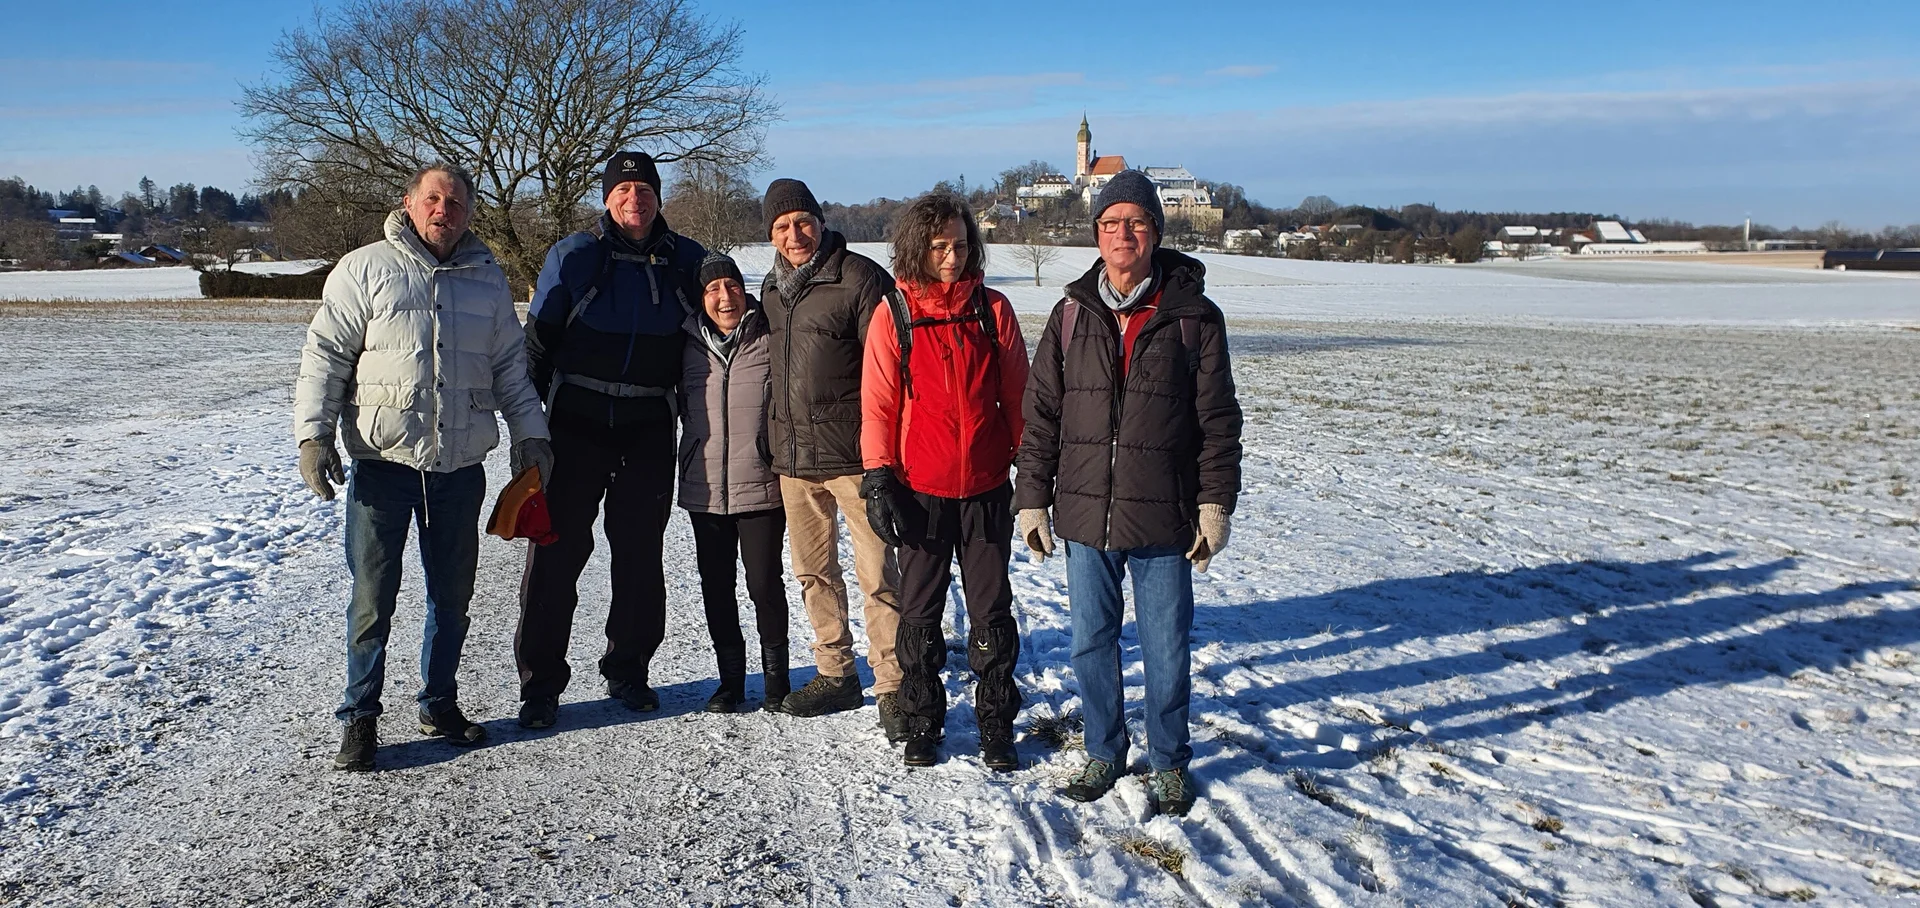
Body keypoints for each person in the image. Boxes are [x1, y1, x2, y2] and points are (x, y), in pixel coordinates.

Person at [294, 164, 552, 772]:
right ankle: (360, 715)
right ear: (409, 204)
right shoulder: (364, 269)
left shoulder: (487, 280)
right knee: (372, 598)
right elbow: (326, 354)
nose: (444, 210)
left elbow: (510, 369)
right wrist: (313, 434)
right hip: (382, 465)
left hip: (458, 468)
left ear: (469, 213)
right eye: (433, 199)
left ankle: (438, 702)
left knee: (452, 598)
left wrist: (532, 434)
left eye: (456, 202)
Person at [1014, 170, 1243, 816]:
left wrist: (1214, 506)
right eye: (1112, 223)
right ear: (1097, 234)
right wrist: (1031, 499)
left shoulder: (1195, 318)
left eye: (1137, 223)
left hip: (1165, 515)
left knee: (1167, 647)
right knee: (1091, 642)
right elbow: (1041, 417)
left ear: (1156, 233)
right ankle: (1105, 750)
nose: (1124, 234)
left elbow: (1218, 422)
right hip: (1085, 512)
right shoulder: (1069, 315)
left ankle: (1168, 759)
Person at [513, 151, 707, 728]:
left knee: (641, 553)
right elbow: (537, 344)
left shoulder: (687, 260)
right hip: (577, 419)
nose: (634, 199)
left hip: (649, 422)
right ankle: (541, 684)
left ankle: (628, 670)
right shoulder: (576, 255)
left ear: (658, 197)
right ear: (606, 198)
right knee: (556, 552)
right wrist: (528, 433)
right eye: (623, 190)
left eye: (644, 189)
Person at [860, 192, 1030, 770]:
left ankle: (996, 723)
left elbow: (1019, 397)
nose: (952, 257)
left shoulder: (993, 310)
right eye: (939, 247)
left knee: (991, 611)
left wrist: (1031, 471)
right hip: (920, 491)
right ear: (918, 249)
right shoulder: (895, 314)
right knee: (920, 612)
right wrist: (878, 476)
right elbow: (879, 405)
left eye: (959, 245)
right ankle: (922, 720)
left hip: (986, 488)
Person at [758, 178, 906, 738]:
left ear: (820, 223)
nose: (794, 234)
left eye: (803, 222)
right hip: (795, 461)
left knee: (877, 575)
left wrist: (885, 456)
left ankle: (892, 682)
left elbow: (891, 367)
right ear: (771, 234)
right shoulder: (772, 290)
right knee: (813, 574)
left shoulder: (860, 278)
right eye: (782, 226)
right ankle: (835, 672)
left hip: (854, 458)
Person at [677, 252, 790, 713]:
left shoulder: (769, 336)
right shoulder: (684, 344)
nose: (725, 297)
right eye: (712, 289)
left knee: (764, 584)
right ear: (700, 299)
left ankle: (777, 681)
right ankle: (731, 682)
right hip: (705, 486)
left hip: (761, 482)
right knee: (716, 585)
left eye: (732, 286)